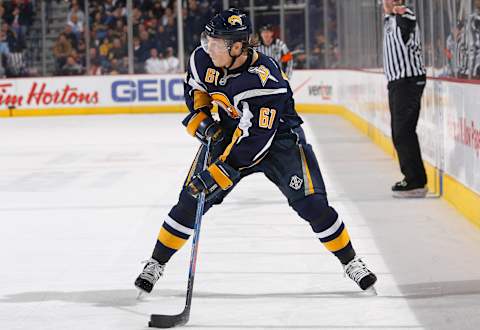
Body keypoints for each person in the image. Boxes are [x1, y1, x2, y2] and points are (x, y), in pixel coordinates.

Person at [134, 8, 377, 295]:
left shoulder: (265, 80)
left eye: (216, 43)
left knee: (311, 205)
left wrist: (218, 174)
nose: (207, 47)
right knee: (191, 199)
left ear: (237, 47)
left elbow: (256, 142)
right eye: (208, 40)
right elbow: (196, 89)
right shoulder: (203, 58)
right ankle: (156, 262)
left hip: (279, 142)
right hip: (229, 134)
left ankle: (351, 261)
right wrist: (202, 120)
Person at [382, 0, 428, 198]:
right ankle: (415, 179)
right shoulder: (389, 19)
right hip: (397, 83)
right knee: (401, 132)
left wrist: (401, 13)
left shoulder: (404, 16)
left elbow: (407, 24)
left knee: (402, 132)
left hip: (407, 82)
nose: (390, 2)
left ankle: (415, 181)